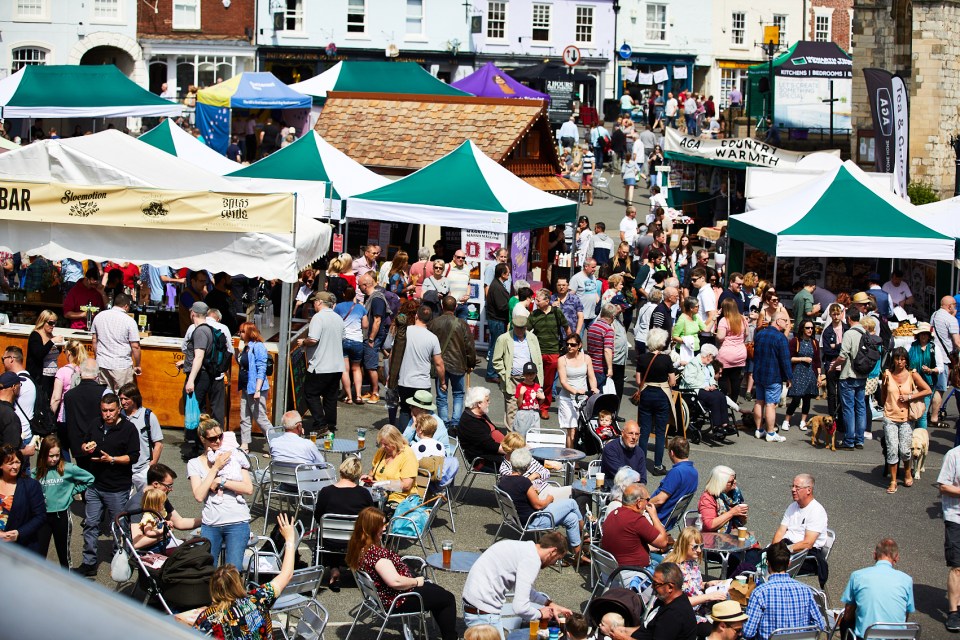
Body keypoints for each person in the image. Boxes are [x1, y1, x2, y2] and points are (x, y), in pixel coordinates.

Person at [347, 507, 458, 640]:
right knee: (447, 598)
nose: (384, 528)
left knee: (438, 592)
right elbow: (395, 582)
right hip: (398, 599)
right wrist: (416, 581)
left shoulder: (360, 548)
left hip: (383, 597)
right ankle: (451, 637)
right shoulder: (378, 556)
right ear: (371, 528)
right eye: (381, 525)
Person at [193, 513, 298, 639]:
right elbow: (287, 574)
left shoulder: (208, 619)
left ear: (213, 588)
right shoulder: (258, 599)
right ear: (238, 583)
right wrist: (290, 540)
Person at [74, 393, 141, 576]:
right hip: (95, 485)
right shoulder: (95, 424)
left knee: (118, 526)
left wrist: (112, 459)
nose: (108, 414)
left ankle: (118, 559)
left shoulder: (128, 429)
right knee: (91, 523)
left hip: (117, 488)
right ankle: (89, 563)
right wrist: (85, 448)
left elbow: (133, 456)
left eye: (111, 410)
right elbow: (84, 443)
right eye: (104, 411)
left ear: (119, 410)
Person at [462, 530, 573, 635]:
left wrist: (550, 604)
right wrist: (540, 614)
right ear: (553, 551)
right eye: (557, 559)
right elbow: (520, 607)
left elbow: (525, 591)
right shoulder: (532, 560)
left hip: (473, 607)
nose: (554, 563)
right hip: (484, 615)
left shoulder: (523, 548)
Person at [187, 418, 253, 568]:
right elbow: (199, 495)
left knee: (233, 571)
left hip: (237, 521)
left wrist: (221, 482)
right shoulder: (194, 464)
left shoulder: (233, 454)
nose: (218, 441)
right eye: (212, 438)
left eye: (220, 436)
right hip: (211, 523)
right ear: (203, 439)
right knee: (208, 570)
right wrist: (215, 468)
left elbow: (248, 488)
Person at [500, 447, 586, 561]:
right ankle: (585, 534)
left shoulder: (503, 480)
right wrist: (549, 499)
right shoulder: (524, 482)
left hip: (520, 519)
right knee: (572, 503)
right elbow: (538, 505)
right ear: (526, 466)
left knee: (572, 518)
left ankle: (578, 556)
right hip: (535, 520)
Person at [743, 541, 826, 640]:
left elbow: (748, 632)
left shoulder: (760, 593)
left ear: (767, 562)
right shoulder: (806, 591)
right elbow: (820, 625)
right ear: (789, 563)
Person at [32, 434, 94, 566]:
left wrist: (72, 491)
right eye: (51, 455)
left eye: (57, 455)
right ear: (43, 454)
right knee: (39, 553)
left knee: (63, 553)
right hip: (42, 517)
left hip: (62, 516)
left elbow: (90, 478)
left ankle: (67, 581)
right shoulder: (35, 472)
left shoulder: (68, 468)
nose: (54, 459)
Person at [314, 456, 373, 591]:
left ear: (341, 471)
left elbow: (318, 516)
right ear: (358, 474)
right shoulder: (363, 493)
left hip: (330, 540)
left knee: (328, 530)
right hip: (355, 541)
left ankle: (334, 569)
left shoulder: (326, 492)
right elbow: (370, 518)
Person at [840, 538, 915, 640]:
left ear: (874, 555)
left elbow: (848, 613)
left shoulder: (858, 576)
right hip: (895, 636)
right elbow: (905, 614)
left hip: (866, 636)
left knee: (845, 622)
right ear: (897, 558)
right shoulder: (907, 580)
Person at [880, 347, 930, 493]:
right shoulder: (887, 374)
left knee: (904, 450)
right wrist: (887, 407)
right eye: (897, 358)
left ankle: (907, 471)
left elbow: (927, 390)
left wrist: (910, 397)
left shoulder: (912, 375)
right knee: (892, 449)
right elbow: (883, 395)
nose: (900, 362)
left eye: (903, 359)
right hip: (890, 417)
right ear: (893, 360)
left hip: (906, 418)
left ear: (906, 361)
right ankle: (893, 480)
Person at [609, 563, 698, 640]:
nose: (652, 587)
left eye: (655, 583)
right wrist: (624, 631)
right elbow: (648, 628)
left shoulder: (673, 614)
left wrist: (623, 638)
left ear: (670, 587)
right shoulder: (663, 601)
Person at [772, 474, 830, 587]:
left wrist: (783, 551)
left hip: (805, 555)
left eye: (797, 487)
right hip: (785, 549)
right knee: (753, 558)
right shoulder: (792, 506)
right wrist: (774, 550)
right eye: (792, 486)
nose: (793, 490)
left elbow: (808, 543)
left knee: (768, 568)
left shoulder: (816, 511)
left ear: (809, 490)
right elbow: (780, 531)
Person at [300, 292, 345, 434]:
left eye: (314, 302)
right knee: (330, 396)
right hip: (336, 364)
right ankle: (330, 424)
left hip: (320, 365)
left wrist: (304, 342)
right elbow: (342, 337)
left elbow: (313, 339)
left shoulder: (318, 318)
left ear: (319, 302)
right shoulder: (338, 318)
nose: (313, 304)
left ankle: (321, 424)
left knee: (310, 393)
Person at [602, 482, 671, 571]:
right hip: (633, 574)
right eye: (647, 499)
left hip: (609, 571)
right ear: (639, 502)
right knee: (671, 567)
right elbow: (663, 542)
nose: (648, 503)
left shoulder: (613, 514)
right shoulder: (636, 520)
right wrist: (654, 516)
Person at [636, 328, 677, 476]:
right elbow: (672, 381)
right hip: (661, 395)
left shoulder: (642, 358)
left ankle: (639, 464)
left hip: (646, 394)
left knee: (644, 431)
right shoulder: (666, 359)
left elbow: (638, 380)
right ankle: (658, 465)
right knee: (660, 433)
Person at [492, 313, 543, 430]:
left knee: (530, 409)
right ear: (513, 326)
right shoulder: (504, 338)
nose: (520, 330)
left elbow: (538, 360)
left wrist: (538, 379)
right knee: (512, 410)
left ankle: (528, 438)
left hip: (530, 379)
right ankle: (512, 440)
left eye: (523, 328)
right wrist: (505, 375)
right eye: (517, 328)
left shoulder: (532, 338)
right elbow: (496, 360)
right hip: (513, 380)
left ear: (526, 327)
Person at [397, 305, 444, 429]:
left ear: (416, 316)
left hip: (405, 380)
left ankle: (403, 442)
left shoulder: (404, 331)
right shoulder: (433, 338)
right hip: (422, 382)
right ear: (430, 320)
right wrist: (442, 381)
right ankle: (419, 440)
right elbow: (439, 363)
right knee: (421, 414)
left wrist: (391, 375)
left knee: (405, 410)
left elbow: (394, 355)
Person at [663, 527, 727, 617]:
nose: (699, 550)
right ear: (684, 545)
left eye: (701, 546)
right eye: (695, 547)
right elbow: (678, 603)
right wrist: (708, 597)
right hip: (684, 615)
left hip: (699, 608)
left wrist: (706, 584)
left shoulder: (691, 561)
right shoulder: (673, 570)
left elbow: (692, 586)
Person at [833, 308, 870, 449]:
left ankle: (849, 439)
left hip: (848, 374)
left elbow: (842, 356)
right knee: (860, 407)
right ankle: (859, 440)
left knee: (848, 408)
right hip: (862, 375)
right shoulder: (865, 332)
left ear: (848, 319)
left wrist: (833, 366)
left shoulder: (849, 333)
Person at [680, 344, 733, 443]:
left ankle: (725, 424)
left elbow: (712, 379)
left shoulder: (709, 366)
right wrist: (703, 386)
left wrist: (713, 385)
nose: (713, 359)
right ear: (708, 355)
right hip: (695, 390)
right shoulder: (693, 363)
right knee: (714, 398)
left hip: (707, 389)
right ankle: (717, 426)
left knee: (721, 396)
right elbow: (689, 380)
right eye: (713, 357)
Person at [751, 313, 791, 442]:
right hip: (773, 376)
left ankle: (759, 430)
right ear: (778, 321)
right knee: (770, 405)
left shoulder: (760, 334)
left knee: (759, 401)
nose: (787, 323)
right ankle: (770, 433)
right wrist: (789, 377)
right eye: (785, 321)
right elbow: (785, 360)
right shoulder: (781, 338)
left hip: (759, 373)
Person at [0, 444, 46, 554]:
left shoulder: (31, 485)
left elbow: (40, 516)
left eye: (18, 462)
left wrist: (19, 533)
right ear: (1, 465)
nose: (15, 467)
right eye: (10, 463)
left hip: (21, 547)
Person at [234, 322, 273, 451]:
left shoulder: (258, 346)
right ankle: (244, 445)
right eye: (240, 331)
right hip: (246, 387)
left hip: (255, 388)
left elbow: (261, 369)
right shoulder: (247, 347)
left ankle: (277, 445)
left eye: (243, 332)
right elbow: (242, 363)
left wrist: (257, 390)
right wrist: (235, 350)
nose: (240, 334)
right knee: (244, 417)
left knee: (261, 418)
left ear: (250, 332)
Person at [361, 425, 418, 510]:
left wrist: (382, 485)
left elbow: (406, 485)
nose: (382, 447)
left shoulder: (407, 454)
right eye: (381, 443)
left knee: (374, 513)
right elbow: (373, 470)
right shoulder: (382, 451)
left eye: (386, 444)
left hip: (398, 497)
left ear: (395, 442)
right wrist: (368, 477)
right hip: (377, 494)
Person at [118, 383, 162, 492]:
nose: (123, 402)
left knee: (146, 502)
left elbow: (158, 444)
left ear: (135, 398)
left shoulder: (148, 416)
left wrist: (151, 466)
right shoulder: (118, 416)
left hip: (142, 469)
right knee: (122, 505)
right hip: (122, 470)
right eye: (121, 399)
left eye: (126, 399)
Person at [556, 333, 597, 448]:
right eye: (567, 344)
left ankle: (575, 454)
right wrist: (575, 391)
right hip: (567, 399)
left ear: (579, 345)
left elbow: (591, 377)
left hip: (582, 399)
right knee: (572, 430)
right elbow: (563, 382)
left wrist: (594, 388)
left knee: (581, 429)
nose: (569, 347)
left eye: (573, 345)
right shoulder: (562, 360)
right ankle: (571, 460)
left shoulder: (586, 358)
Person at [783, 320, 821, 432]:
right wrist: (802, 359)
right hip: (798, 372)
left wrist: (819, 375)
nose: (810, 330)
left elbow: (817, 361)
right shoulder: (795, 341)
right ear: (802, 329)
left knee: (807, 398)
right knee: (795, 398)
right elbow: (789, 358)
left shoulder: (815, 342)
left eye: (811, 328)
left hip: (810, 373)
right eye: (807, 328)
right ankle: (787, 420)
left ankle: (803, 421)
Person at [358, 273, 390, 403]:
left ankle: (376, 392)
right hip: (370, 335)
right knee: (368, 364)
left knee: (371, 365)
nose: (358, 288)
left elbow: (377, 320)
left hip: (373, 336)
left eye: (359, 285)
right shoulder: (370, 297)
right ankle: (372, 390)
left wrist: (371, 338)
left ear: (365, 285)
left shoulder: (377, 299)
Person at [650, 437, 699, 523]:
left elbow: (659, 500)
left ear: (672, 453)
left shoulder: (676, 472)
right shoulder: (694, 472)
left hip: (659, 517)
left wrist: (644, 505)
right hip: (672, 518)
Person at [458, 386, 506, 471]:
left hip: (496, 452)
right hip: (485, 460)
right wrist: (514, 451)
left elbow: (494, 430)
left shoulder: (480, 415)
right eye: (487, 400)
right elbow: (490, 445)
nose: (489, 402)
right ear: (479, 403)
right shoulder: (470, 422)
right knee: (525, 465)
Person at [335, 286, 369, 405]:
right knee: (356, 368)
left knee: (345, 369)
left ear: (344, 294)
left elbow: (335, 322)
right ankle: (358, 396)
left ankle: (349, 397)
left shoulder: (338, 307)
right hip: (357, 341)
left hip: (343, 340)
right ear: (354, 295)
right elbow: (365, 325)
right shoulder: (360, 308)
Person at [930, 296, 960, 429]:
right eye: (955, 305)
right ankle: (934, 417)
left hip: (932, 356)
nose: (956, 307)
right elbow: (957, 342)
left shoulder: (934, 315)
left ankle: (924, 414)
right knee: (940, 389)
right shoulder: (951, 320)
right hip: (944, 359)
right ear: (950, 306)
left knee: (930, 387)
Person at [820, 303, 848, 434]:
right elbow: (827, 351)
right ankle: (831, 419)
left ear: (842, 314)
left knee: (842, 394)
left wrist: (835, 346)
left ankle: (842, 422)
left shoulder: (846, 329)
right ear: (830, 315)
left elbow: (848, 349)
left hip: (844, 366)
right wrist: (840, 348)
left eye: (838, 314)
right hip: (831, 366)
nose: (836, 316)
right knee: (831, 394)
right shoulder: (827, 331)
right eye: (834, 314)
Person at [698, 465, 748, 534]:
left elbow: (742, 523)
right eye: (731, 481)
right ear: (721, 483)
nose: (735, 481)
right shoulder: (707, 498)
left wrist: (742, 517)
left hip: (733, 532)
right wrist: (732, 513)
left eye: (735, 478)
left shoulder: (734, 494)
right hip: (714, 537)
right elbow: (709, 525)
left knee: (755, 544)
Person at [26, 309, 63, 401]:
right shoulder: (35, 335)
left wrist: (60, 345)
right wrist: (52, 342)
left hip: (52, 376)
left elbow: (53, 352)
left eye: (55, 323)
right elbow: (39, 354)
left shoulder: (50, 335)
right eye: (50, 323)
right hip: (40, 378)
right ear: (43, 321)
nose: (53, 326)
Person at [716, 297, 747, 403]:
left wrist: (715, 335)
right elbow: (746, 334)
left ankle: (723, 400)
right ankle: (733, 400)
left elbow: (720, 337)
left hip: (727, 353)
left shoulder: (724, 320)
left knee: (723, 378)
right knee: (735, 379)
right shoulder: (742, 319)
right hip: (740, 352)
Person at [485, 263, 512, 382]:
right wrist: (512, 305)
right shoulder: (497, 287)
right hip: (497, 321)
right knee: (496, 347)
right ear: (502, 274)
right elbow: (501, 306)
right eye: (508, 272)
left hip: (497, 320)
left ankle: (493, 372)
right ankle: (491, 373)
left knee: (495, 346)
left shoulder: (498, 285)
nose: (509, 274)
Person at [908, 322, 937, 429]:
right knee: (912, 410)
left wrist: (931, 370)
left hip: (927, 384)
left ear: (929, 335)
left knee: (922, 413)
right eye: (921, 334)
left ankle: (921, 438)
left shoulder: (933, 348)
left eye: (925, 333)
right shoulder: (911, 346)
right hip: (912, 384)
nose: (923, 336)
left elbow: (940, 368)